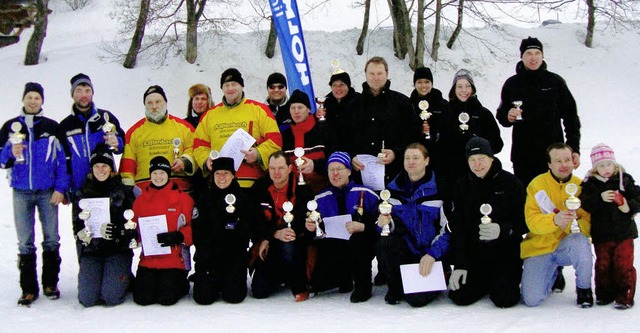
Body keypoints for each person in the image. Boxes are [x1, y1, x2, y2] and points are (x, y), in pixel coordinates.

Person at [0, 82, 69, 305]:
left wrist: (60, 187)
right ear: (23, 99)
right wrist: (10, 152)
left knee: (51, 237)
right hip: (21, 191)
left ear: (42, 101)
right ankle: (28, 288)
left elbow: (62, 161)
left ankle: (50, 283)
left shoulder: (51, 127)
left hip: (46, 191)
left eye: (37, 98)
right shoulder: (10, 126)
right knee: (25, 241)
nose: (33, 101)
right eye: (29, 97)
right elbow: (1, 161)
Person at [448, 137, 527, 308]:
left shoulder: (511, 183)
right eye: (472, 160)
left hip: (504, 253)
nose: (477, 164)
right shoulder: (462, 185)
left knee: (505, 300)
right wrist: (460, 264)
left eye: (482, 159)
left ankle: (500, 280)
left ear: (491, 158)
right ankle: (483, 281)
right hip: (475, 254)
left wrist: (504, 229)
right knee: (459, 296)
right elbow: (458, 227)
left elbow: (524, 222)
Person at [496, 37, 581, 187]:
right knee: (528, 201)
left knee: (558, 199)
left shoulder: (555, 82)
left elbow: (571, 118)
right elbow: (501, 115)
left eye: (537, 53)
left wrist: (573, 148)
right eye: (528, 53)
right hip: (523, 156)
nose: (533, 57)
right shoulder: (512, 84)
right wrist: (507, 115)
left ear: (542, 55)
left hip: (554, 156)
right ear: (522, 56)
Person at [376, 143, 450, 307]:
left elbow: (448, 229)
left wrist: (433, 254)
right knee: (385, 242)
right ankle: (395, 286)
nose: (411, 162)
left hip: (431, 255)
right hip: (407, 252)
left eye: (416, 158)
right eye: (407, 158)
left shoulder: (440, 188)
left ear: (426, 160)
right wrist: (382, 224)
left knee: (416, 301)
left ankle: (442, 273)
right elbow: (389, 226)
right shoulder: (392, 190)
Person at [521, 143, 593, 308]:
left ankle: (584, 289)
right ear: (549, 164)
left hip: (567, 246)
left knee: (581, 243)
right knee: (532, 300)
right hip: (540, 247)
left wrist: (571, 224)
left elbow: (589, 225)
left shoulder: (582, 187)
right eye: (558, 161)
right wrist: (554, 220)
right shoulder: (537, 185)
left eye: (567, 160)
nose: (564, 165)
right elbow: (531, 222)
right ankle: (552, 273)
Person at [304, 152, 379, 303]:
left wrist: (364, 226)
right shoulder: (320, 198)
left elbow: (381, 222)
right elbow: (316, 230)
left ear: (349, 171)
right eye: (331, 170)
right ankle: (341, 278)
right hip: (335, 247)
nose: (335, 173)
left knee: (359, 241)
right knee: (319, 283)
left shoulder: (366, 193)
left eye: (340, 168)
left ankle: (363, 285)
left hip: (362, 245)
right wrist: (310, 227)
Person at [191, 157, 265, 304]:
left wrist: (237, 227)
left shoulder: (243, 198)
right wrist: (205, 257)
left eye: (226, 173)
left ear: (233, 175)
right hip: (209, 257)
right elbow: (198, 232)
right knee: (203, 298)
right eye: (218, 173)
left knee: (234, 297)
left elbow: (254, 226)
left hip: (234, 256)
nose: (222, 178)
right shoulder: (204, 198)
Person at [194, 68, 282, 188]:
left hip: (251, 183)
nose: (230, 88)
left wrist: (258, 154)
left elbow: (275, 140)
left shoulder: (259, 110)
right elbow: (199, 145)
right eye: (226, 85)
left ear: (242, 86)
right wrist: (206, 160)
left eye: (234, 84)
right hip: (220, 183)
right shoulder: (209, 115)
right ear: (222, 88)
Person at [71, 143, 135, 307]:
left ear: (111, 168)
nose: (101, 170)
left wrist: (118, 232)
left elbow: (132, 227)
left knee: (111, 297)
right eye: (97, 166)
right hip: (93, 252)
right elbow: (77, 224)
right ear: (91, 169)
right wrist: (81, 234)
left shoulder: (123, 191)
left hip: (117, 251)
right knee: (87, 299)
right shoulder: (82, 193)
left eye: (104, 165)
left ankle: (124, 276)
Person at [344, 56, 422, 185]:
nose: (376, 78)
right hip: (361, 176)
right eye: (372, 74)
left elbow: (413, 134)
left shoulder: (402, 102)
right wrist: (351, 157)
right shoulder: (353, 105)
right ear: (366, 75)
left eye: (379, 73)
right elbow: (344, 136)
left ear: (387, 74)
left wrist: (397, 152)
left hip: (395, 175)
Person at [579, 143, 638, 309]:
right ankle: (604, 294)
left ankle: (624, 295)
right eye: (601, 165)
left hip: (624, 233)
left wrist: (626, 205)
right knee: (603, 264)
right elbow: (584, 203)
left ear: (615, 163)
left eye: (609, 164)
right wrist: (599, 197)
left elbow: (637, 198)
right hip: (601, 234)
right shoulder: (590, 184)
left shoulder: (624, 180)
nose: (606, 168)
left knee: (623, 264)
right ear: (595, 168)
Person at [250, 151, 314, 302]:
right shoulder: (259, 188)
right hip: (270, 241)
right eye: (272, 168)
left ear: (290, 168)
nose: (276, 173)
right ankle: (281, 275)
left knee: (288, 242)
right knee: (259, 291)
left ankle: (299, 286)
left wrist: (292, 231)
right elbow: (253, 220)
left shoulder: (302, 188)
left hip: (296, 241)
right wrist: (271, 235)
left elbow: (306, 218)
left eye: (281, 168)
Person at [131, 156, 194, 306]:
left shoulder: (183, 199)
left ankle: (181, 283)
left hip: (174, 260)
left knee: (167, 298)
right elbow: (134, 227)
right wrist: (133, 236)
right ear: (150, 175)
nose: (158, 177)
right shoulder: (140, 200)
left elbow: (194, 228)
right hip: (148, 260)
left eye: (162, 173)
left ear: (168, 174)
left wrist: (180, 236)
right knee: (142, 299)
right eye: (154, 173)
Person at [120, 85, 198, 194]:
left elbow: (195, 151)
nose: (154, 106)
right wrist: (128, 193)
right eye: (149, 103)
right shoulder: (133, 132)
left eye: (158, 102)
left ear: (166, 103)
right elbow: (127, 166)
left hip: (180, 193)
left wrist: (184, 162)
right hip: (146, 195)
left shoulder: (185, 128)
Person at [60, 73, 125, 193]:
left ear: (92, 93)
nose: (84, 95)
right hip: (80, 187)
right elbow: (63, 160)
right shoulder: (65, 125)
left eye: (87, 90)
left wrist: (117, 143)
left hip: (107, 185)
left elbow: (123, 145)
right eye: (79, 91)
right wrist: (65, 187)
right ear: (72, 94)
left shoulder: (106, 117)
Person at [439, 69, 503, 189]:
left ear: (473, 89)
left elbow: (497, 145)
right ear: (454, 89)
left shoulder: (484, 114)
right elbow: (439, 145)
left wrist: (479, 142)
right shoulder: (445, 112)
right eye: (460, 86)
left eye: (468, 86)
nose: (464, 90)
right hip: (451, 174)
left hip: (478, 173)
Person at [281, 89, 335, 193]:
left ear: (308, 109)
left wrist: (315, 165)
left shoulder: (323, 130)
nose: (296, 111)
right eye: (293, 108)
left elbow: (335, 160)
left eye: (300, 107)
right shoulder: (285, 136)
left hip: (324, 190)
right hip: (295, 193)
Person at [409, 67, 449, 175]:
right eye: (419, 82)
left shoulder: (443, 104)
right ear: (414, 84)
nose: (423, 86)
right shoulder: (409, 104)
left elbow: (448, 127)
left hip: (439, 153)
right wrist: (419, 130)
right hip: (418, 155)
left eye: (427, 82)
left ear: (432, 83)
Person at [314, 67, 360, 144]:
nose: (338, 88)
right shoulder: (325, 103)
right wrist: (317, 117)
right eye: (334, 85)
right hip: (331, 150)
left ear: (348, 86)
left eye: (341, 84)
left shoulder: (359, 100)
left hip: (354, 149)